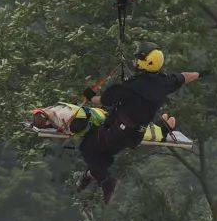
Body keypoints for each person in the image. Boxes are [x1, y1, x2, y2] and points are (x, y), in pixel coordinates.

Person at [78, 43, 200, 203]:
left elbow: (104, 100)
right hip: (134, 136)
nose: (135, 61)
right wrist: (201, 73)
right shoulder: (164, 82)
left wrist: (89, 95)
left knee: (87, 146)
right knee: (104, 156)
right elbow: (184, 76)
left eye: (139, 58)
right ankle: (89, 176)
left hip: (117, 131)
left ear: (146, 62)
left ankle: (106, 182)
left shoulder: (133, 86)